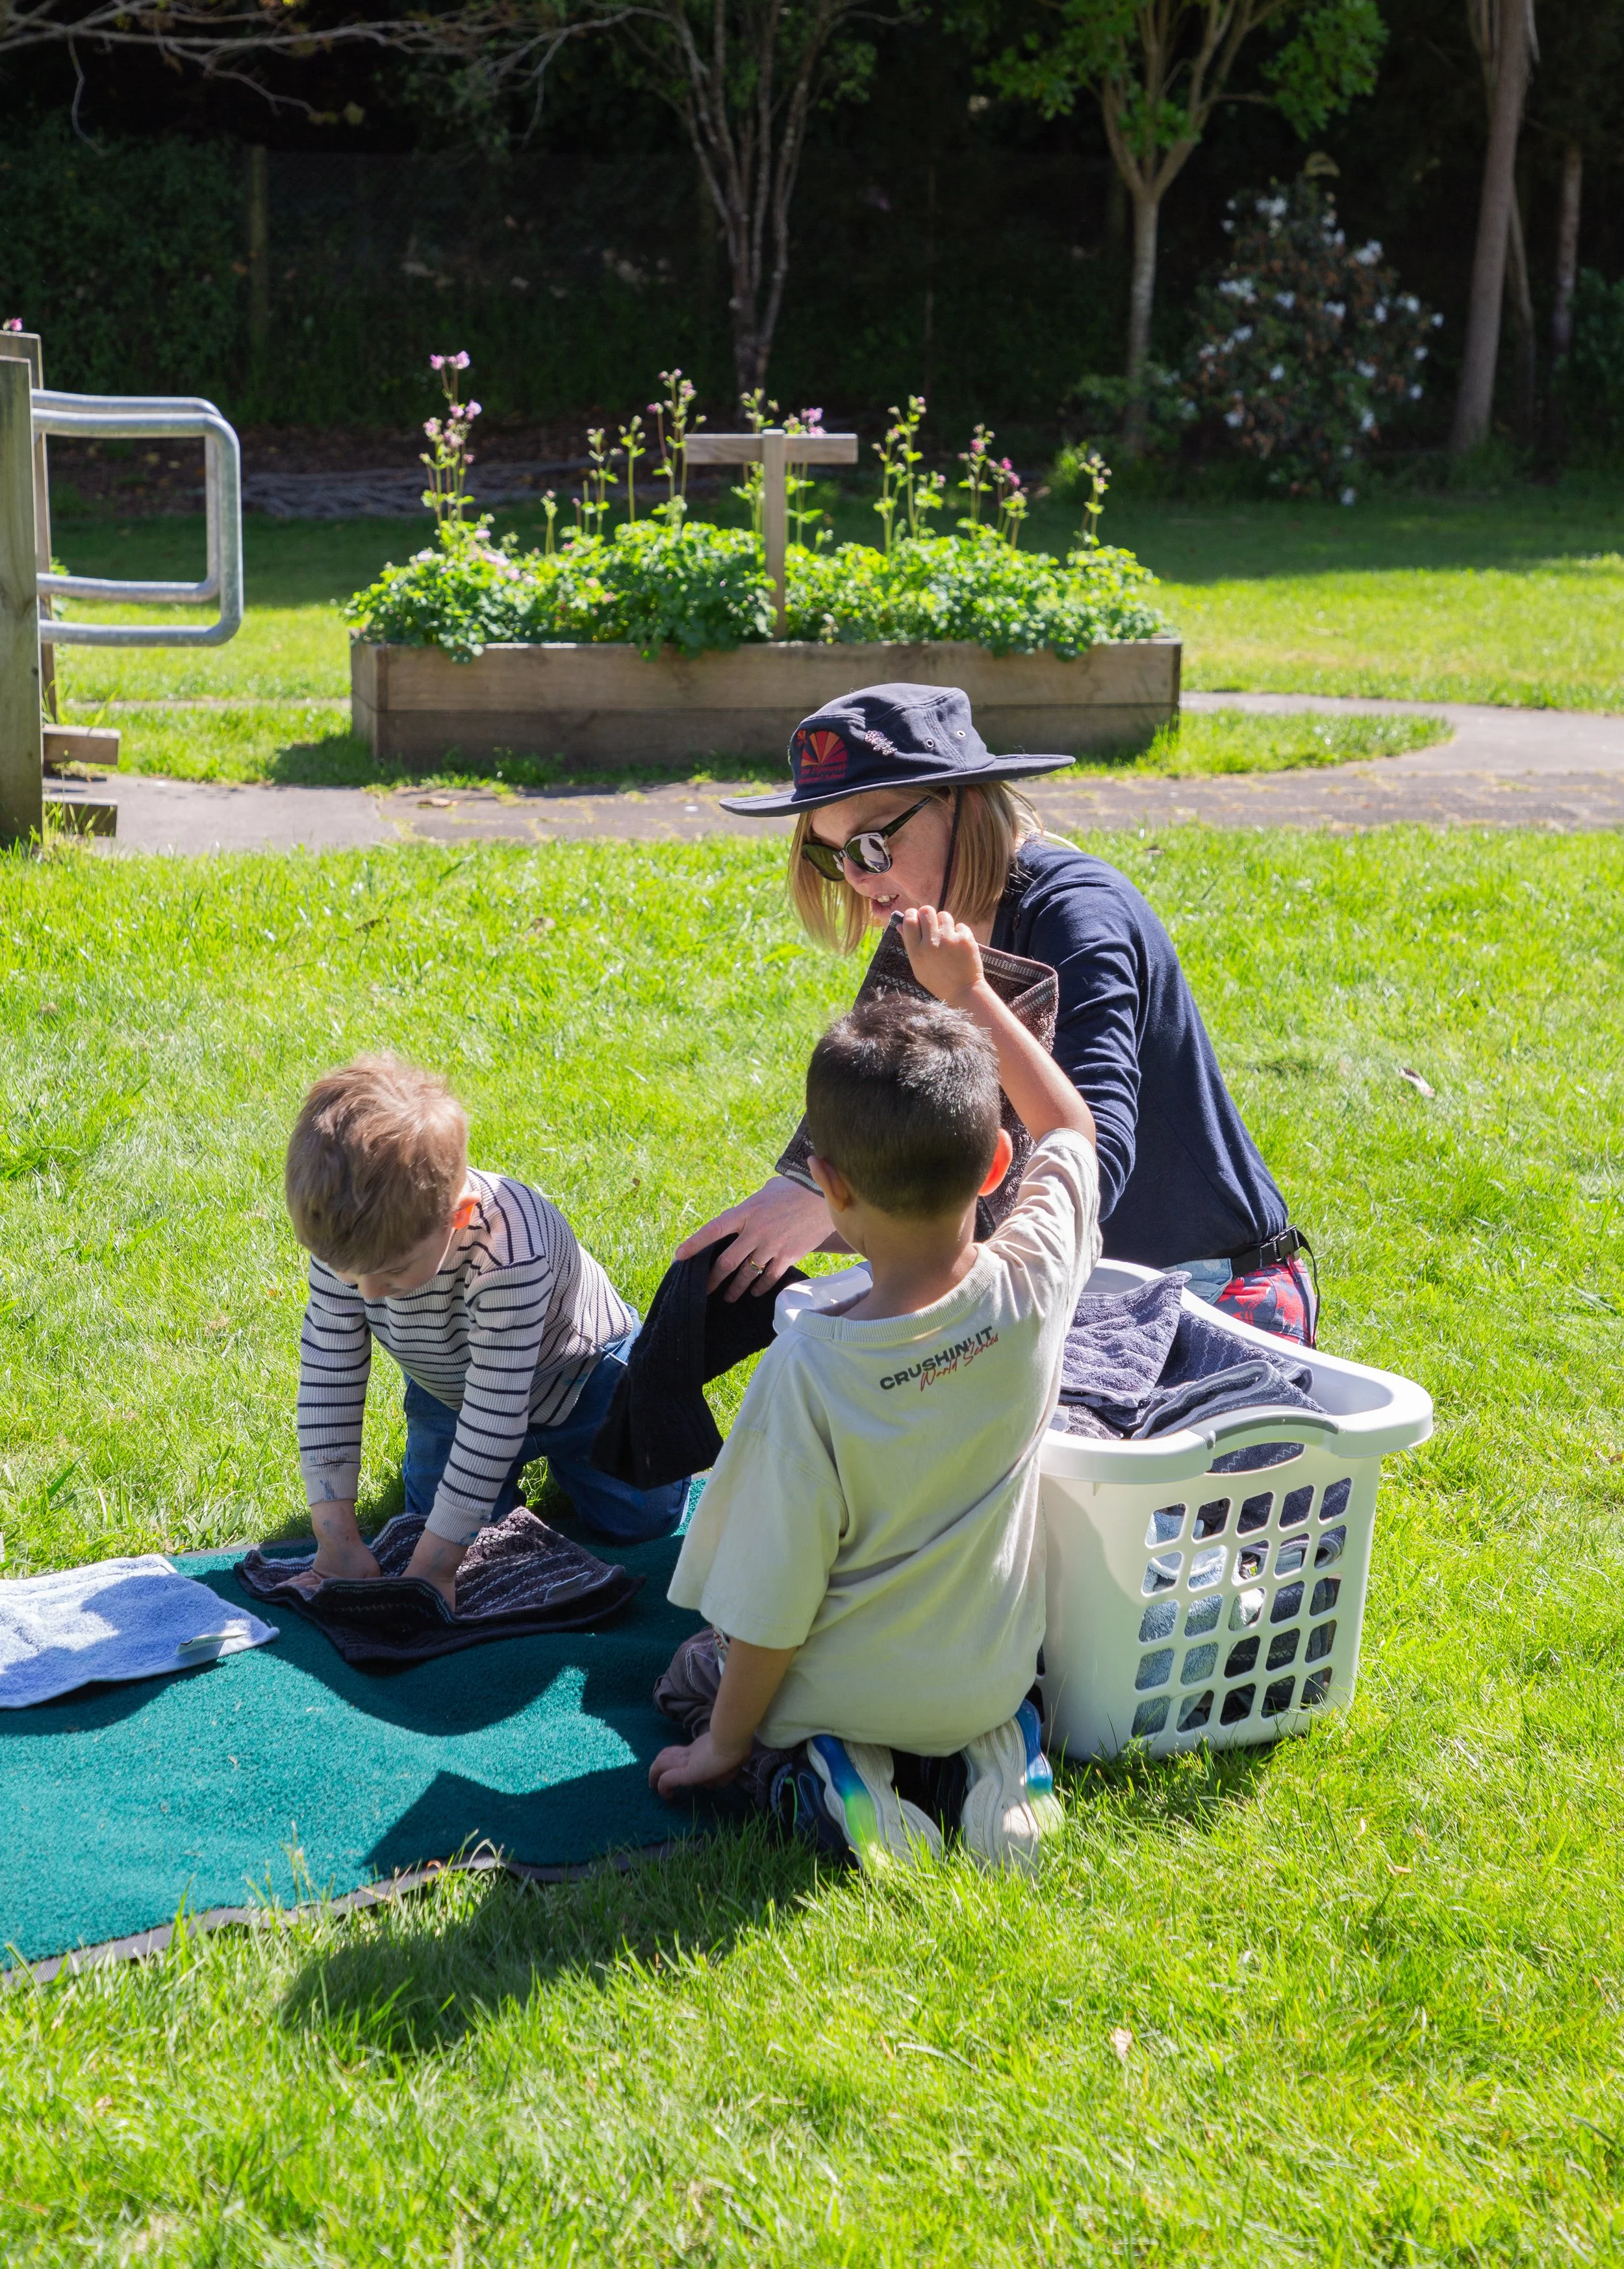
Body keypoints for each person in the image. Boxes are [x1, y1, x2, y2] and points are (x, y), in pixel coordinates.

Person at [649, 904, 1100, 1875]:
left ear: (828, 1187)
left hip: (839, 1691)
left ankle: (828, 1774)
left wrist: (724, 1745)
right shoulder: (1032, 1285)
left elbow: (767, 1606)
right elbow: (1072, 1121)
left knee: (693, 1675)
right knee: (964, 1698)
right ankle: (998, 1754)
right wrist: (972, 989)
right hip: (987, 1678)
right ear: (995, 1163)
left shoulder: (808, 1371)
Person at [682, 682, 1316, 1343]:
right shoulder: (926, 934)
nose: (857, 880)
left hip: (1206, 1290)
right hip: (1064, 1284)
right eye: (830, 855)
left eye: (872, 844)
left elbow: (1091, 1161)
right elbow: (907, 1149)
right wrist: (812, 1198)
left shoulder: (1074, 912)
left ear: (960, 803)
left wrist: (830, 1209)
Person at [283, 1054, 683, 1611]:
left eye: (393, 1272)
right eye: (353, 1275)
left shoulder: (512, 1252)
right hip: (451, 1389)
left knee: (642, 1519)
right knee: (438, 1524)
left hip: (583, 1378)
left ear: (459, 1217)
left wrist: (432, 1568)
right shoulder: (351, 1247)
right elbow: (329, 1377)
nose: (369, 1293)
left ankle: (614, 1436)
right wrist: (336, 1541)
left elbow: (497, 1413)